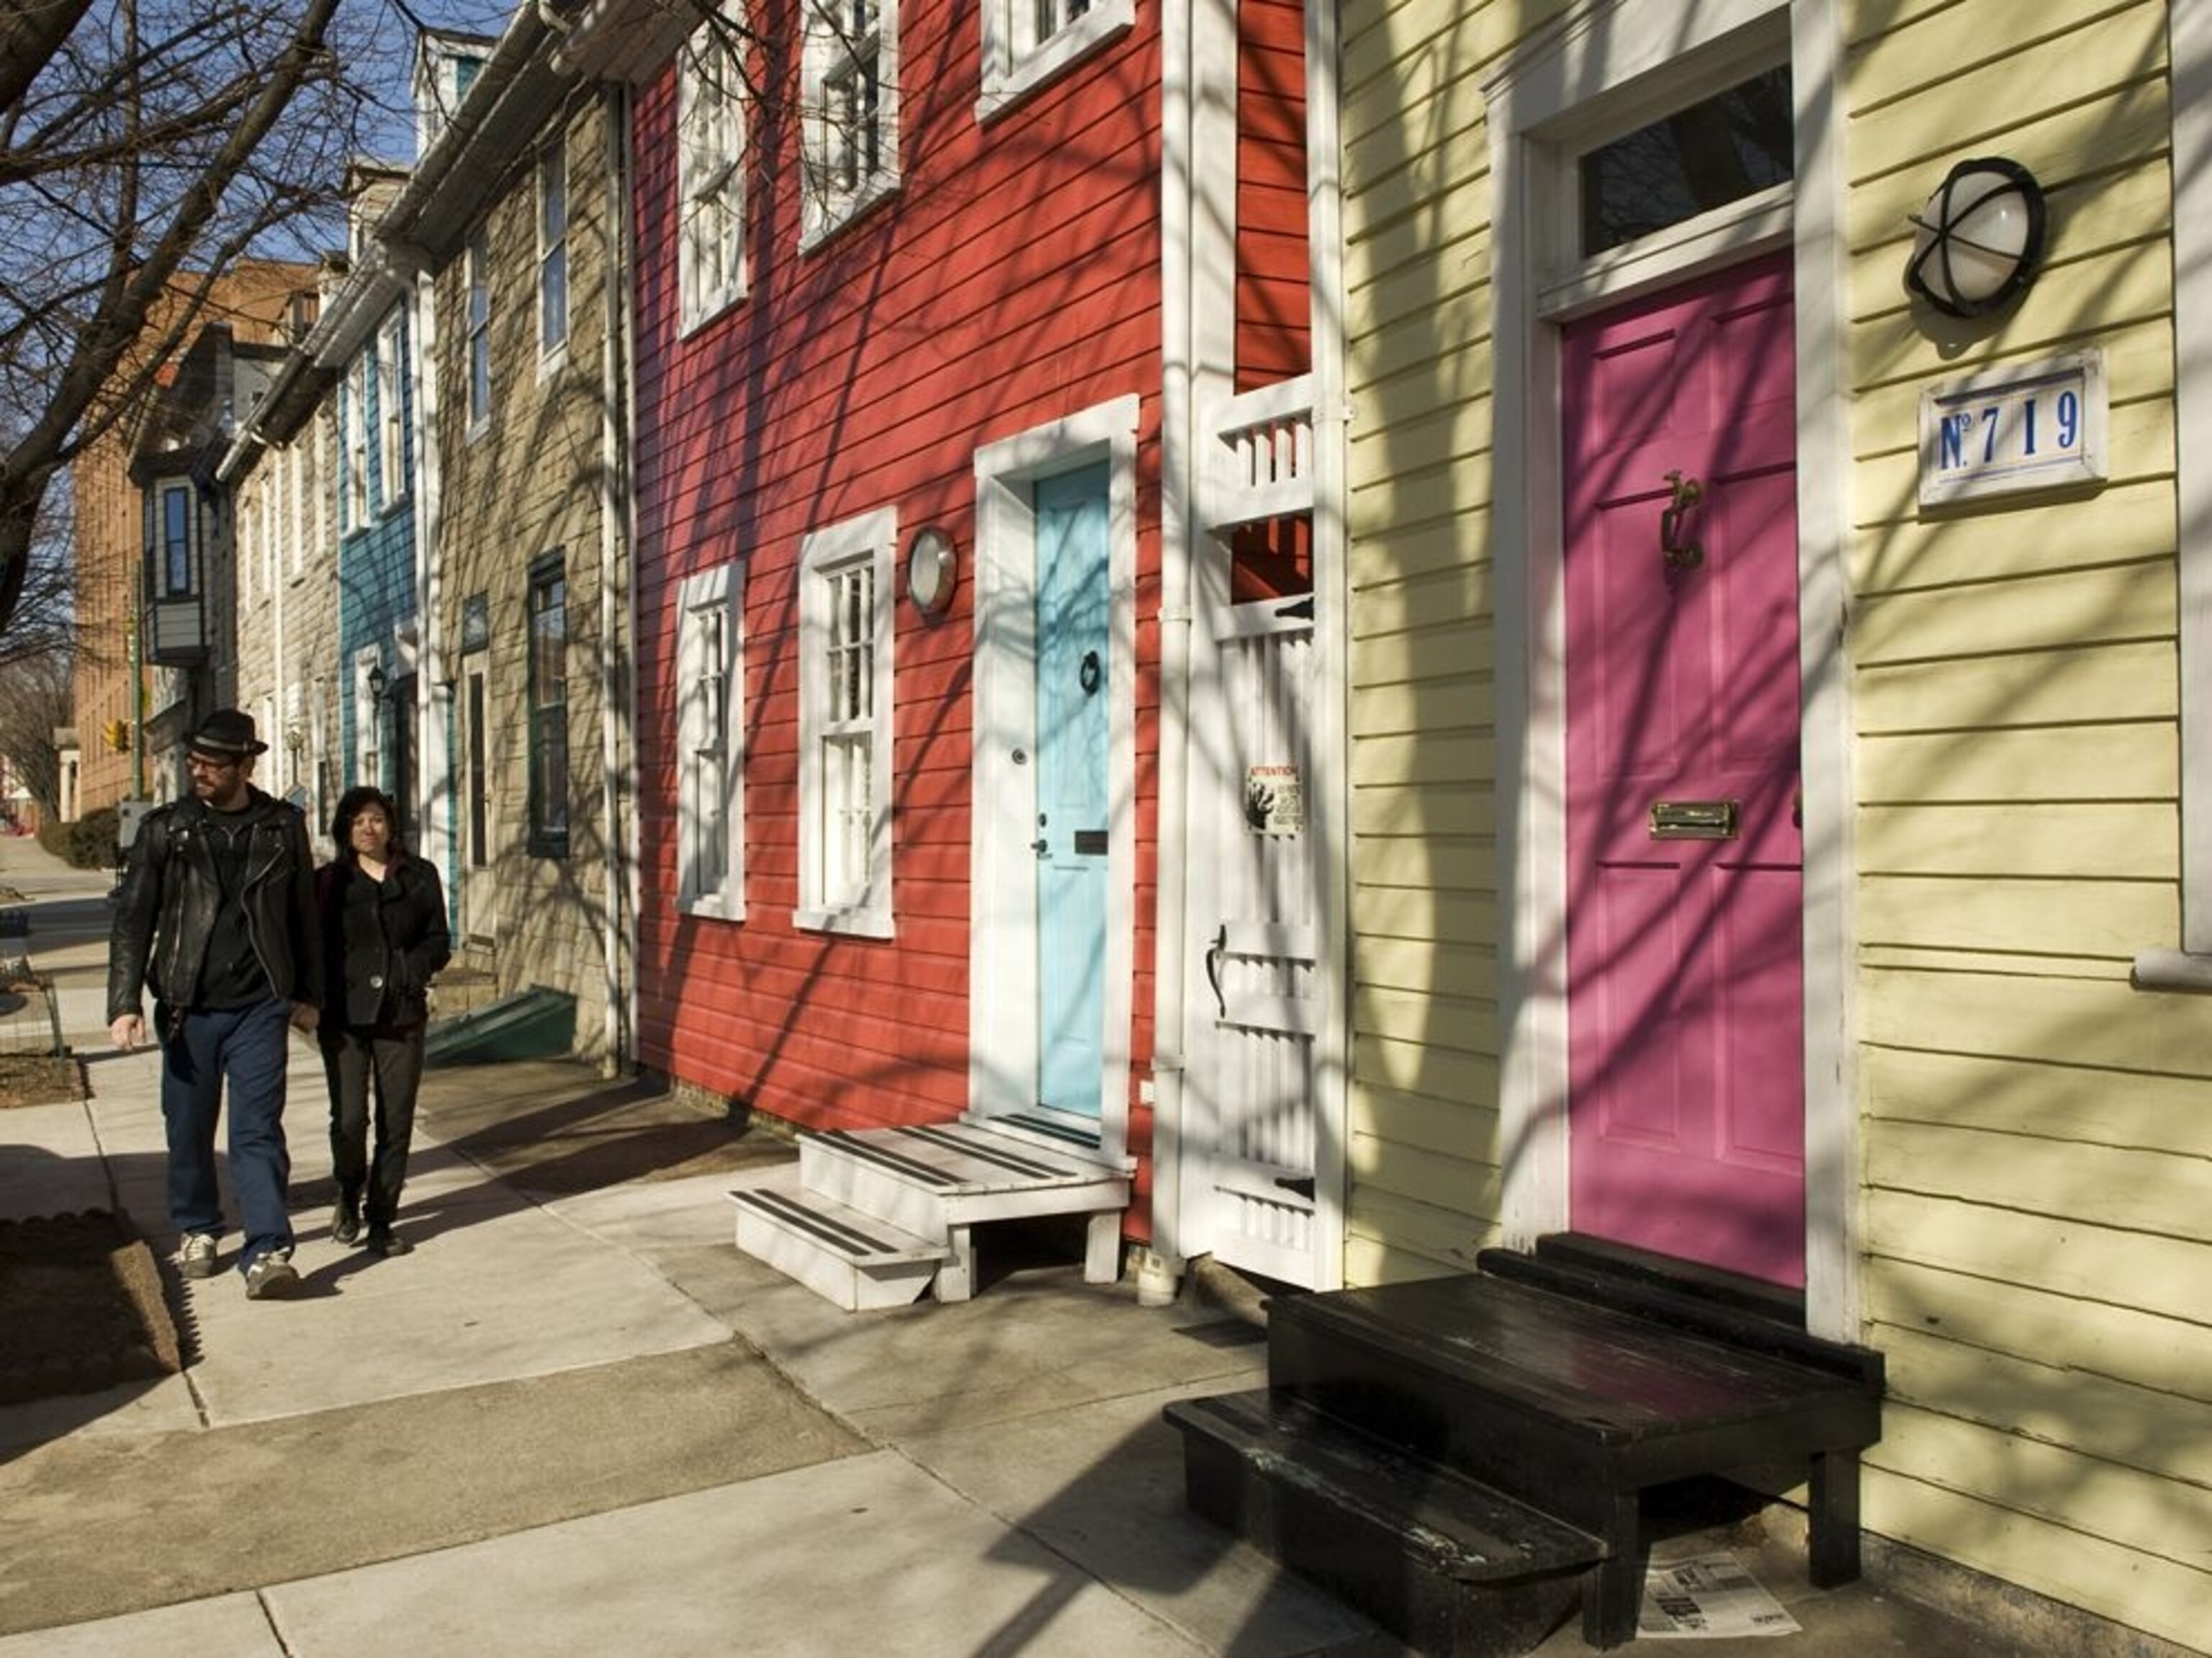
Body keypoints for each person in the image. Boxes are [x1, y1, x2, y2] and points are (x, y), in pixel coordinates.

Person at [107, 709, 323, 1300]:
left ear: (244, 765)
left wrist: (308, 996)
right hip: (186, 1006)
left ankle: (268, 1249)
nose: (197, 771)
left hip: (260, 1005)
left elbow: (304, 916)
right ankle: (199, 1227)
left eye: (211, 763)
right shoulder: (166, 830)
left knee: (257, 1131)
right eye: (194, 761)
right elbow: (133, 921)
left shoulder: (283, 827)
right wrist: (123, 1002)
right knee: (190, 1129)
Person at [317, 786, 449, 1258]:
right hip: (344, 1016)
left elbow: (438, 939)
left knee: (396, 1120)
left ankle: (381, 1218)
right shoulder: (329, 882)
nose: (367, 829)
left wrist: (411, 971)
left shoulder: (420, 876)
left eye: (375, 819)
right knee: (351, 1118)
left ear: (390, 825)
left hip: (400, 1012)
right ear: (344, 830)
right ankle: (348, 1191)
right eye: (357, 821)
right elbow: (313, 949)